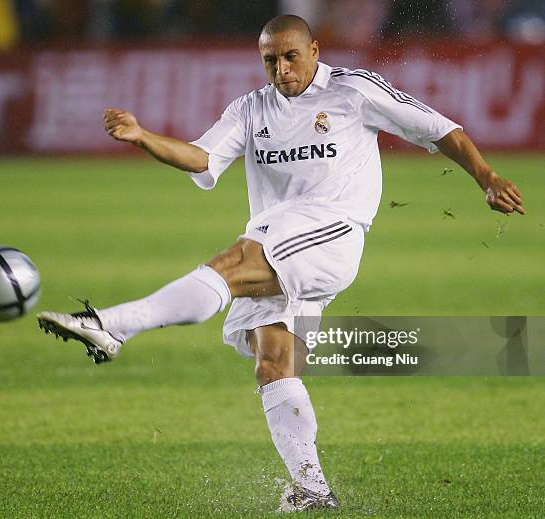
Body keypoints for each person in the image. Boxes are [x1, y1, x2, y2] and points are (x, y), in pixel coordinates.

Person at [37, 14, 524, 512]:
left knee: (233, 262)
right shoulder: (251, 109)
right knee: (273, 364)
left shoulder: (354, 90)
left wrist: (486, 177)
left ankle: (112, 325)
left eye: (291, 56)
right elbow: (202, 158)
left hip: (332, 231)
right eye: (270, 59)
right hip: (284, 240)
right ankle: (312, 487)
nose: (282, 68)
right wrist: (143, 137)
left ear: (314, 50)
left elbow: (441, 130)